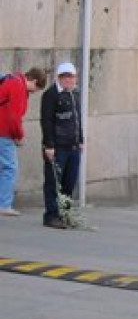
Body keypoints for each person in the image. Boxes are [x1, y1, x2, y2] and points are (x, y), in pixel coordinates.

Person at [40, 62, 83, 229]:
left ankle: (66, 214)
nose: (68, 80)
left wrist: (81, 139)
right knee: (53, 183)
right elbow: (46, 121)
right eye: (65, 76)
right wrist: (48, 145)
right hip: (57, 147)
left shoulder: (74, 94)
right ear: (58, 77)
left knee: (69, 183)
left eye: (71, 76)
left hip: (72, 146)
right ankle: (51, 216)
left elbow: (77, 119)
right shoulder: (50, 95)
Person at [0, 67, 46, 216]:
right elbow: (14, 117)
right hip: (4, 133)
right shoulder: (18, 86)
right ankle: (4, 204)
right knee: (10, 168)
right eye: (35, 89)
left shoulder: (12, 80)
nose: (33, 93)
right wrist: (19, 136)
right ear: (33, 80)